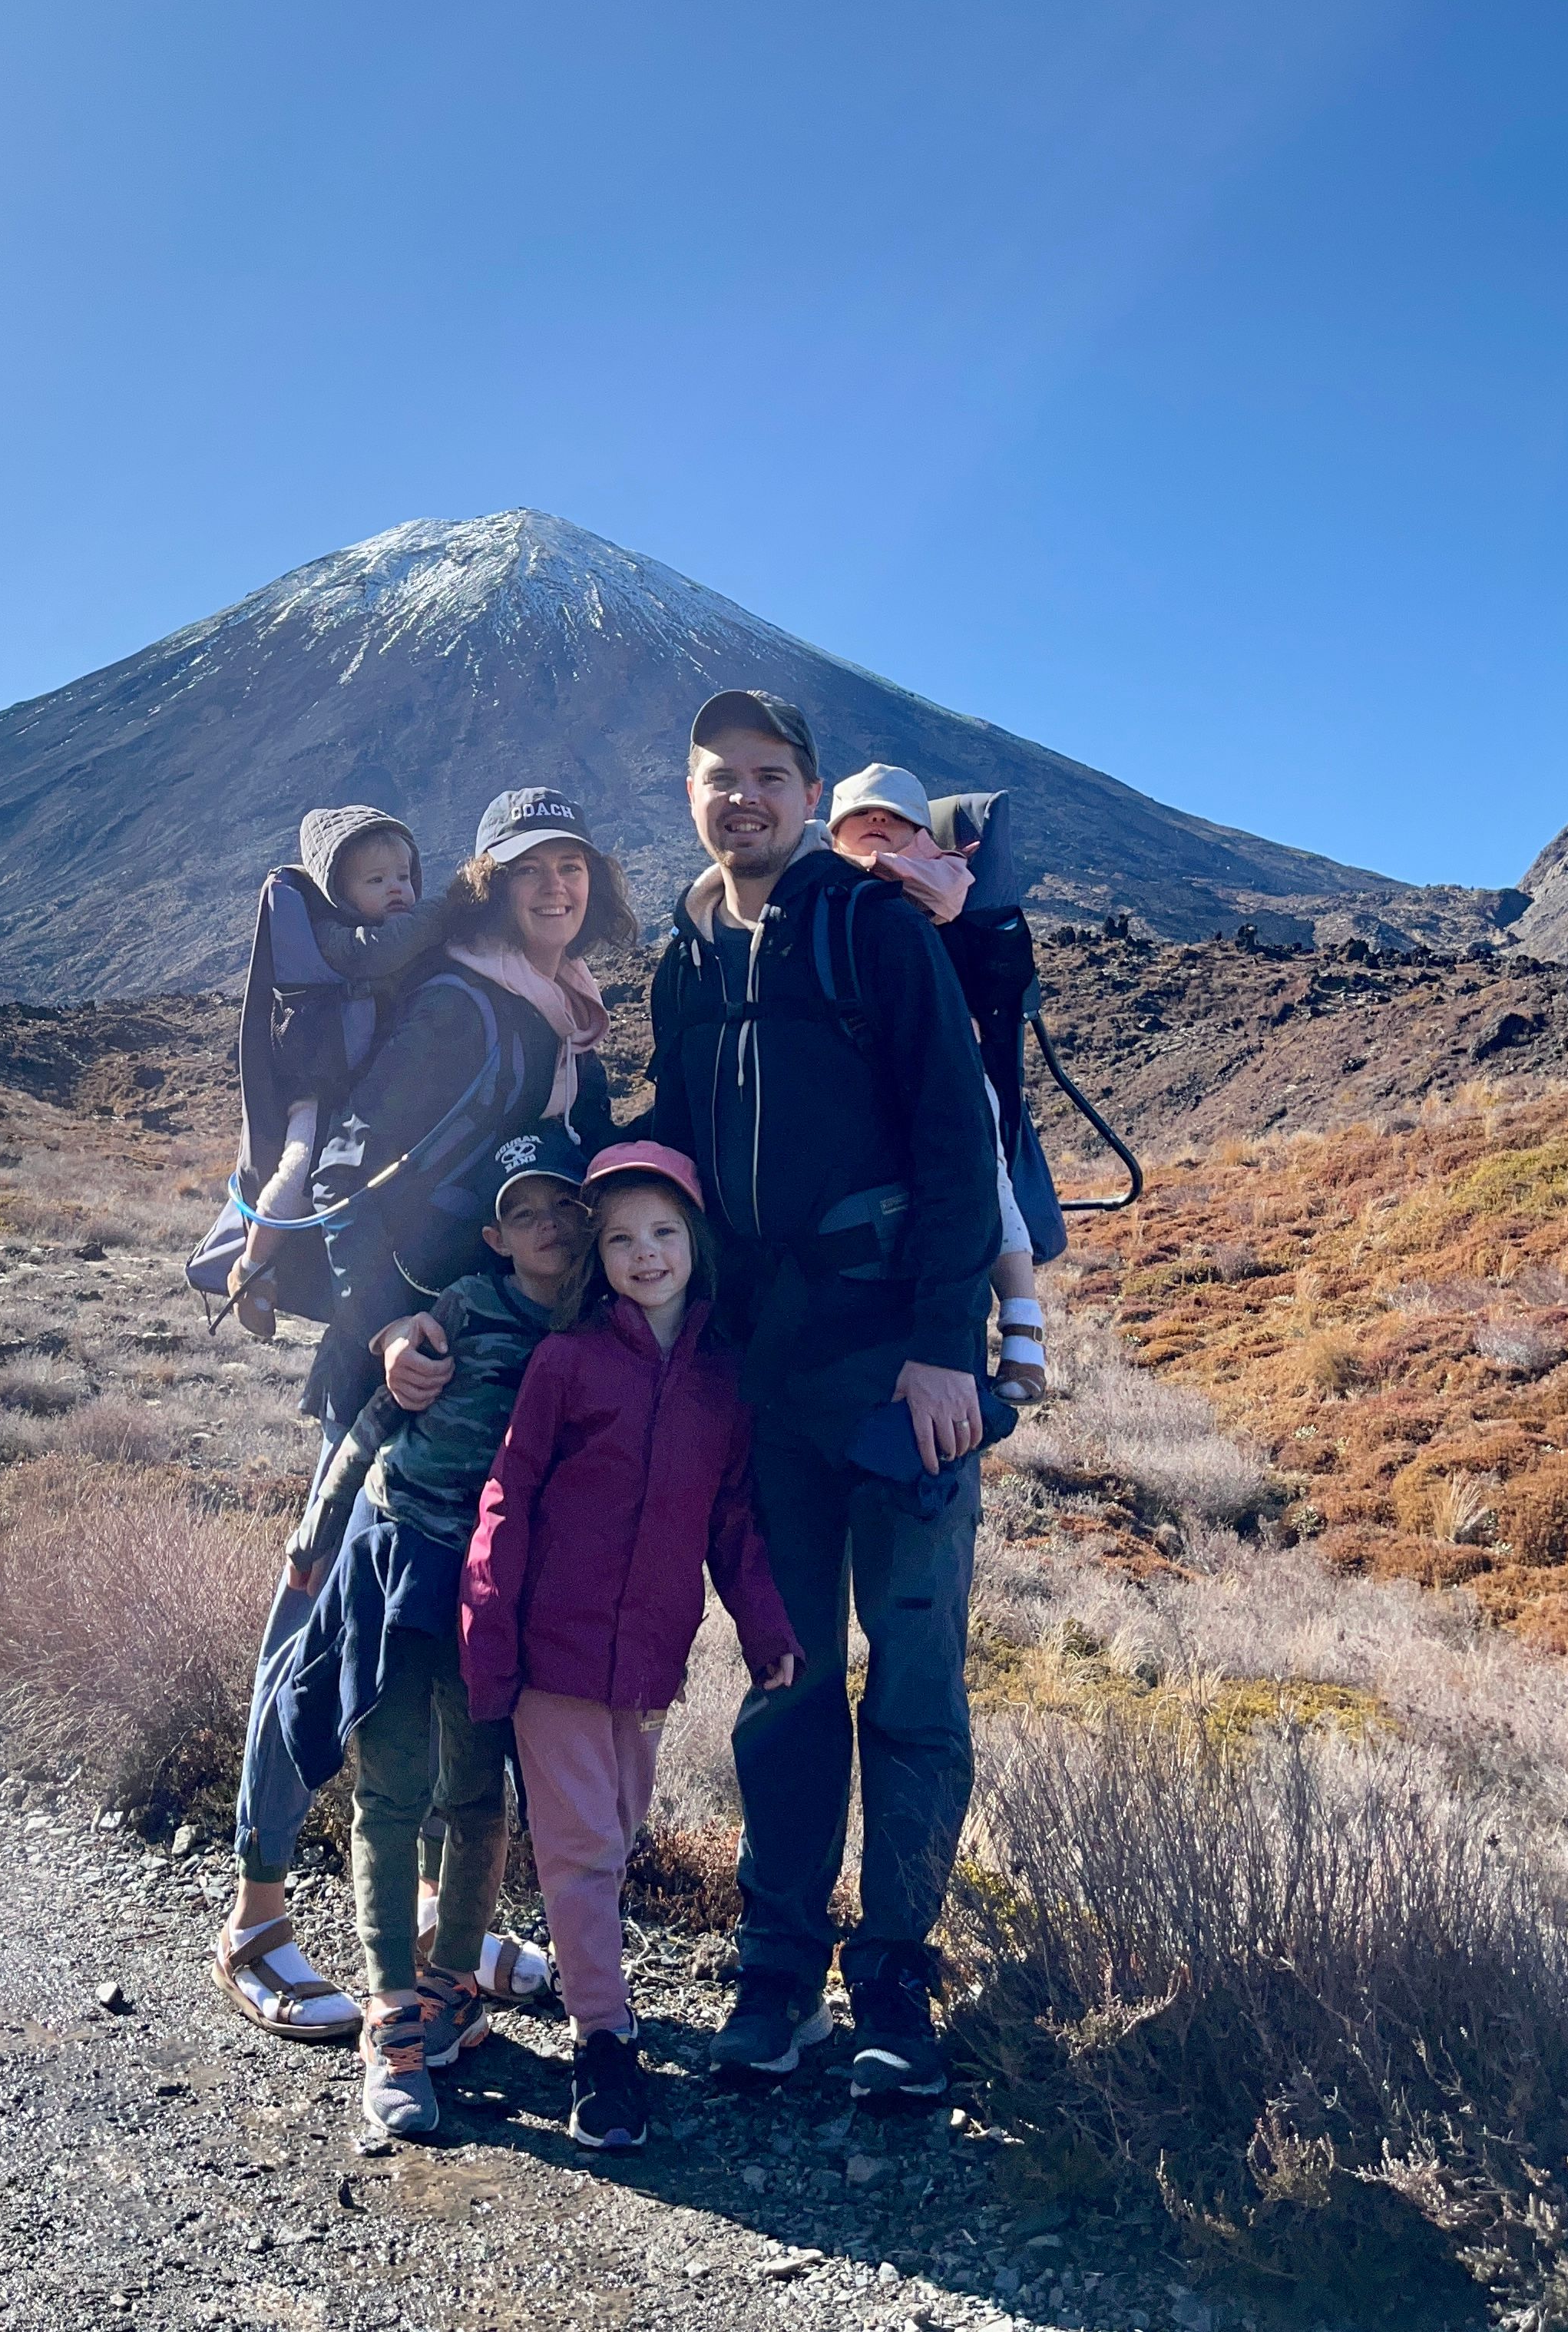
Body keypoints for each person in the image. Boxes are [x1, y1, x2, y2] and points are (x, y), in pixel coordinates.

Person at [213, 786, 634, 2043]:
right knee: (324, 1626)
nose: (554, 885)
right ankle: (253, 1918)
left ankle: (457, 1931)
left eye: (571, 865)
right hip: (401, 1368)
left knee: (459, 1656)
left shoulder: (557, 1018)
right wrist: (389, 1321)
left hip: (486, 1383)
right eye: (529, 869)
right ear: (489, 883)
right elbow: (348, 1166)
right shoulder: (461, 1003)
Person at [647, 693, 1004, 2099]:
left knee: (910, 1683)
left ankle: (896, 1982)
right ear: (690, 796)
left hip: (895, 1372)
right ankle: (776, 1968)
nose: (742, 799)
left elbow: (950, 1138)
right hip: (761, 1381)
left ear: (805, 796)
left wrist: (941, 1345)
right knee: (785, 1676)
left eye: (767, 777)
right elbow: (667, 1150)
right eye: (717, 778)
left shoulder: (870, 930)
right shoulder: (683, 956)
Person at [461, 1143, 798, 2153]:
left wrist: (765, 1625)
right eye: (619, 1239)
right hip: (554, 1654)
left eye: (662, 1233)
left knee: (614, 1839)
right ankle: (603, 2046)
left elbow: (734, 1520)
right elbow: (508, 1495)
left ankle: (585, 1984)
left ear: (694, 1241)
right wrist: (488, 1629)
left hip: (650, 1658)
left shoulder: (721, 1380)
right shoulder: (567, 1364)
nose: (644, 1255)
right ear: (596, 1256)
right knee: (584, 1852)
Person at [274, 1128, 593, 2140]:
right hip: (407, 1562)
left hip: (507, 1592)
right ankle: (393, 2021)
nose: (550, 1225)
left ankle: (454, 1984)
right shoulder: (460, 1314)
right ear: (496, 1237)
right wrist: (321, 1528)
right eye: (527, 1211)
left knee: (478, 1796)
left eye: (565, 1207)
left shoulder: (595, 1331)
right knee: (392, 1790)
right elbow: (374, 1416)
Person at [826, 767, 1047, 1404]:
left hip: (944, 1063)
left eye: (892, 817)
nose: (875, 823)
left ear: (921, 832)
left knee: (983, 1167)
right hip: (859, 1070)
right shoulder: (811, 893)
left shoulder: (940, 881)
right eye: (859, 816)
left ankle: (1023, 1321)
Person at [224, 806, 432, 1340]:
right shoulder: (335, 937)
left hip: (367, 1092)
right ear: (339, 890)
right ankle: (251, 1267)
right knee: (299, 1169)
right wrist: (452, 911)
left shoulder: (399, 935)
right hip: (319, 1094)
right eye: (377, 879)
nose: (397, 890)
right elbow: (378, 954)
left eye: (405, 878)